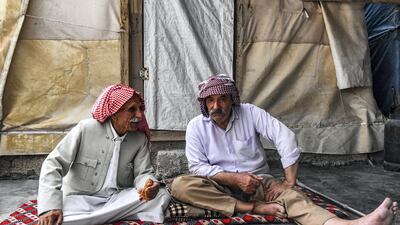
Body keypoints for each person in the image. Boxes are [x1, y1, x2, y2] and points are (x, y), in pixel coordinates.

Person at [171, 74, 398, 225]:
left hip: (258, 182)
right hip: (218, 184)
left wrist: (288, 181)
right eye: (210, 100)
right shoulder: (195, 126)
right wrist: (233, 178)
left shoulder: (250, 113)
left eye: (222, 99)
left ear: (232, 99)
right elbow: (197, 167)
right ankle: (257, 208)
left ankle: (349, 224)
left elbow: (284, 136)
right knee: (181, 184)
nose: (216, 106)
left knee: (293, 197)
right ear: (204, 103)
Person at [37, 84, 170, 225]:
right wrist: (50, 206)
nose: (139, 115)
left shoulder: (139, 139)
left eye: (139, 109)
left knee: (162, 195)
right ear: (114, 113)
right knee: (56, 213)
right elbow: (53, 163)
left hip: (117, 198)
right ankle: (109, 216)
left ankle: (85, 220)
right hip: (80, 199)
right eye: (132, 109)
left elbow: (143, 173)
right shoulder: (86, 129)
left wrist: (148, 185)